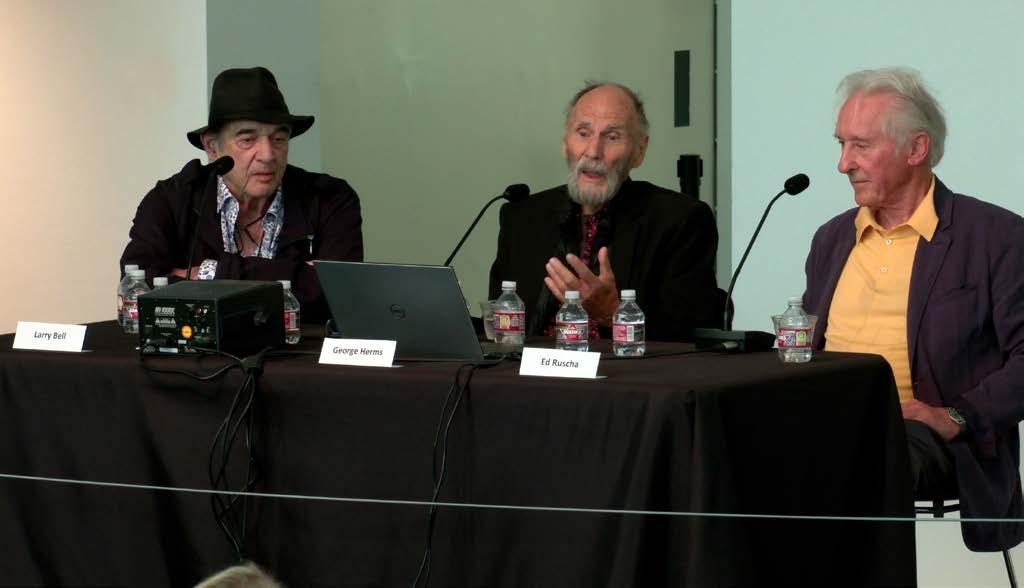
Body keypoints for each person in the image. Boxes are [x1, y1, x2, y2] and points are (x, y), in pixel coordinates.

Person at [803, 67, 1024, 551]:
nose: (843, 164)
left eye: (861, 146)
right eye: (841, 144)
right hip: (828, 419)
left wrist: (957, 415)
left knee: (847, 461)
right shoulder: (831, 239)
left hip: (928, 437)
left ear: (916, 148)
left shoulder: (996, 237)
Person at [120, 67, 363, 322]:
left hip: (300, 346)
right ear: (212, 146)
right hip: (198, 348)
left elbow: (338, 294)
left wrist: (209, 274)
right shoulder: (171, 200)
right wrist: (295, 276)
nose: (267, 155)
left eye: (279, 139)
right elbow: (138, 288)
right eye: (247, 140)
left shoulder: (330, 199)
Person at [488, 82, 723, 341]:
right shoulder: (522, 219)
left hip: (624, 367)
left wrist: (612, 313)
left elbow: (692, 337)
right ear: (565, 143)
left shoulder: (680, 221)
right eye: (583, 133)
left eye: (612, 137)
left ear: (639, 151)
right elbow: (501, 327)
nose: (593, 152)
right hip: (532, 367)